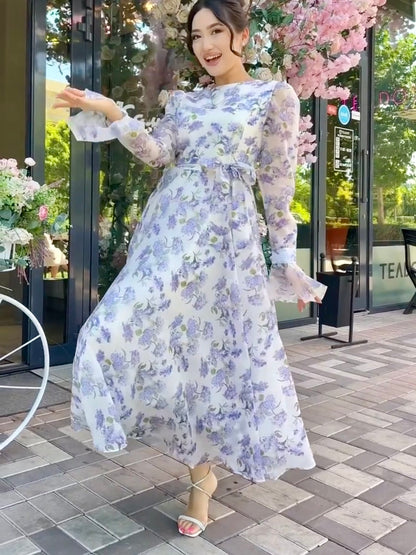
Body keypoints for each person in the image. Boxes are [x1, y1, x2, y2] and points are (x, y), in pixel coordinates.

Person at [53, 0, 326, 539]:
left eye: (217, 31)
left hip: (229, 244)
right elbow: (157, 154)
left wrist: (285, 257)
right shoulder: (184, 103)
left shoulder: (273, 96)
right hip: (171, 237)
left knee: (214, 359)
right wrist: (112, 111)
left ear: (241, 35)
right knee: (110, 328)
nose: (207, 45)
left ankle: (201, 484)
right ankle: (135, 427)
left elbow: (276, 182)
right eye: (198, 34)